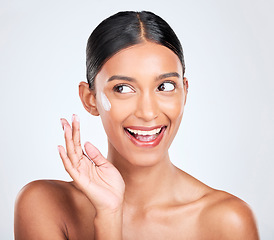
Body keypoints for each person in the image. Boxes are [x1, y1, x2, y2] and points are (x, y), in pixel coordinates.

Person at [14, 11, 259, 240]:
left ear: (185, 92)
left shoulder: (228, 221)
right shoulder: (45, 205)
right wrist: (109, 215)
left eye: (165, 86)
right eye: (123, 89)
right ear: (90, 99)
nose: (148, 112)